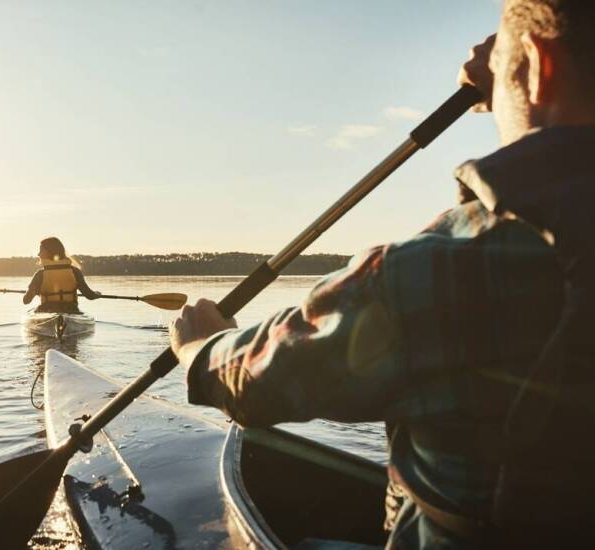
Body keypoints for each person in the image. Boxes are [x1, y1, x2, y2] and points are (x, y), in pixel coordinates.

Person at [169, 1, 595, 547]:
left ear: (539, 61)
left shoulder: (443, 268)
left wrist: (200, 348)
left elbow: (254, 383)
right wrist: (524, 77)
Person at [23, 237, 100, 313]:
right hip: (71, 310)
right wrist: (97, 294)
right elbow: (90, 296)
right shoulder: (75, 271)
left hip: (46, 310)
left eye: (41, 250)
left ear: (51, 251)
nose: (38, 254)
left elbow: (26, 300)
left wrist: (35, 292)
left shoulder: (40, 274)